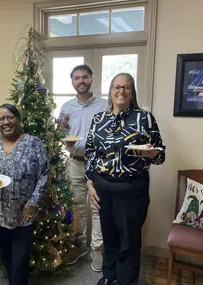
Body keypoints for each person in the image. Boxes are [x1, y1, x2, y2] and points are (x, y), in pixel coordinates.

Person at [85, 73, 166, 285]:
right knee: (109, 238)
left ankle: (126, 281)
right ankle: (109, 275)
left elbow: (161, 155)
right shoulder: (98, 119)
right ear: (110, 91)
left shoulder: (144, 118)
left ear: (132, 92)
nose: (121, 91)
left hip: (131, 189)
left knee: (128, 242)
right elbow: (91, 153)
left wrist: (152, 154)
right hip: (102, 187)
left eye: (126, 87)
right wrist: (89, 182)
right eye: (117, 87)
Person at [0, 103, 48, 285]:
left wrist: (33, 202)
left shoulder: (33, 143)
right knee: (6, 255)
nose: (6, 122)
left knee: (21, 258)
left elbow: (44, 173)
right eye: (1, 119)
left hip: (23, 212)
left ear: (18, 119)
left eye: (10, 117)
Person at [58, 64, 107, 271]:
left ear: (91, 79)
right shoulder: (66, 107)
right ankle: (80, 246)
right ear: (72, 82)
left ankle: (97, 249)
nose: (81, 81)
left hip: (99, 164)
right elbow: (60, 131)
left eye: (84, 77)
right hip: (75, 163)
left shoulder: (105, 106)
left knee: (98, 208)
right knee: (76, 207)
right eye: (77, 78)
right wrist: (64, 141)